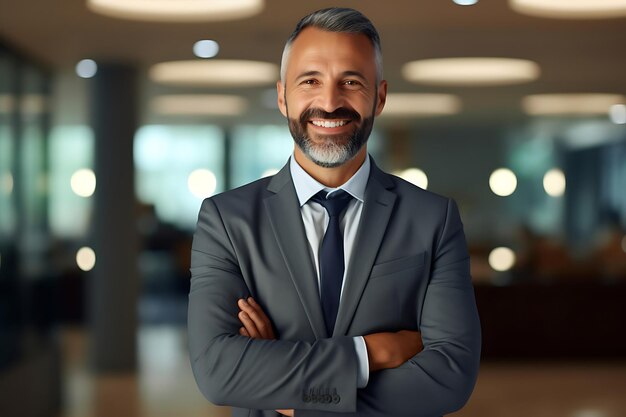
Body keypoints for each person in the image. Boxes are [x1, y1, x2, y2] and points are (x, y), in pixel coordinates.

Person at [188, 7, 481, 417]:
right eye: (310, 81)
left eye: (351, 82)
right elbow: (218, 372)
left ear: (379, 97)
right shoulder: (227, 221)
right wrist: (371, 352)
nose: (329, 102)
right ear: (282, 96)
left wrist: (289, 394)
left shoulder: (434, 219)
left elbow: (450, 377)